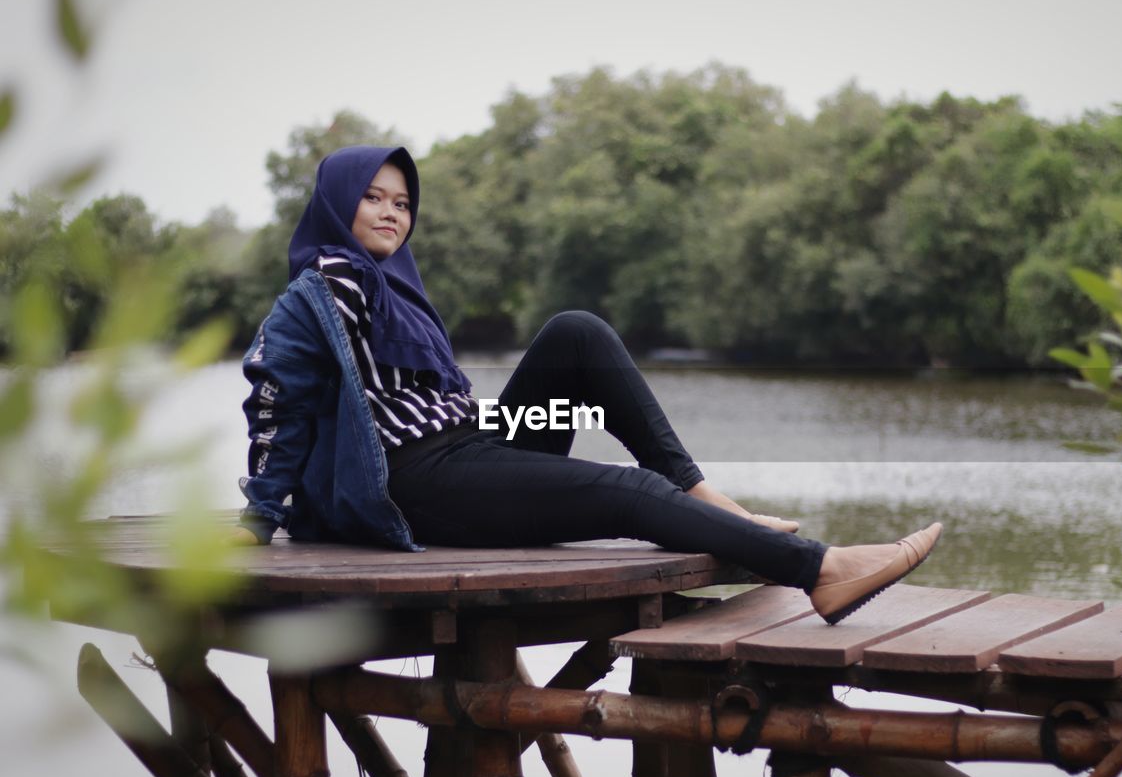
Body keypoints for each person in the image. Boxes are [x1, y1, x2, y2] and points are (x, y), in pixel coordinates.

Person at [231, 145, 941, 625]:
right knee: (624, 493)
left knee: (576, 334)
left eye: (403, 202)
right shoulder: (323, 287)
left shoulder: (392, 285)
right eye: (373, 198)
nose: (391, 212)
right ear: (335, 205)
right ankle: (820, 568)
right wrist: (260, 516)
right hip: (414, 485)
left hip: (465, 448)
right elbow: (276, 400)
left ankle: (700, 492)